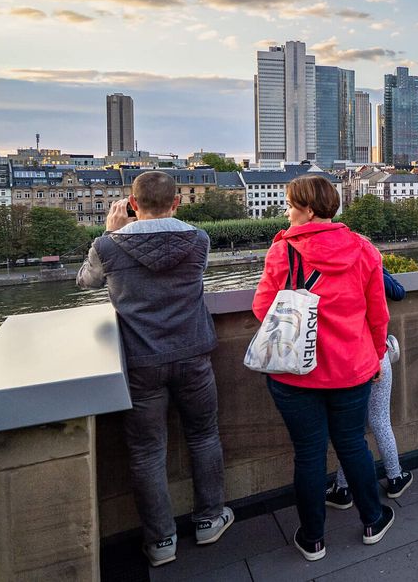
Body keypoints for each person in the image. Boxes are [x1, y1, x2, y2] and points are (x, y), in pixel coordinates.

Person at [76, 171, 232, 567]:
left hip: (141, 361)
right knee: (204, 436)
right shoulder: (198, 240)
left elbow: (86, 283)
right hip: (194, 353)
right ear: (177, 202)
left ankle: (162, 542)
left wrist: (111, 232)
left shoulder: (107, 245)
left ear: (131, 202)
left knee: (147, 452)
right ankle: (210, 519)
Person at [252, 175, 393, 562]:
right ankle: (373, 520)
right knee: (353, 445)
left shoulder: (282, 252)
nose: (286, 211)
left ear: (308, 210)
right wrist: (377, 353)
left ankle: (313, 538)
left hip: (295, 373)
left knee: (309, 454)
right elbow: (378, 314)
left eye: (290, 205)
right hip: (351, 367)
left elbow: (263, 310)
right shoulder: (364, 249)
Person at [325, 267, 411, 510]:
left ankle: (342, 488)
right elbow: (398, 292)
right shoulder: (367, 267)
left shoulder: (331, 273)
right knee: (380, 420)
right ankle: (395, 477)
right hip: (374, 354)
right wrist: (380, 266)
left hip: (344, 360)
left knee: (351, 431)